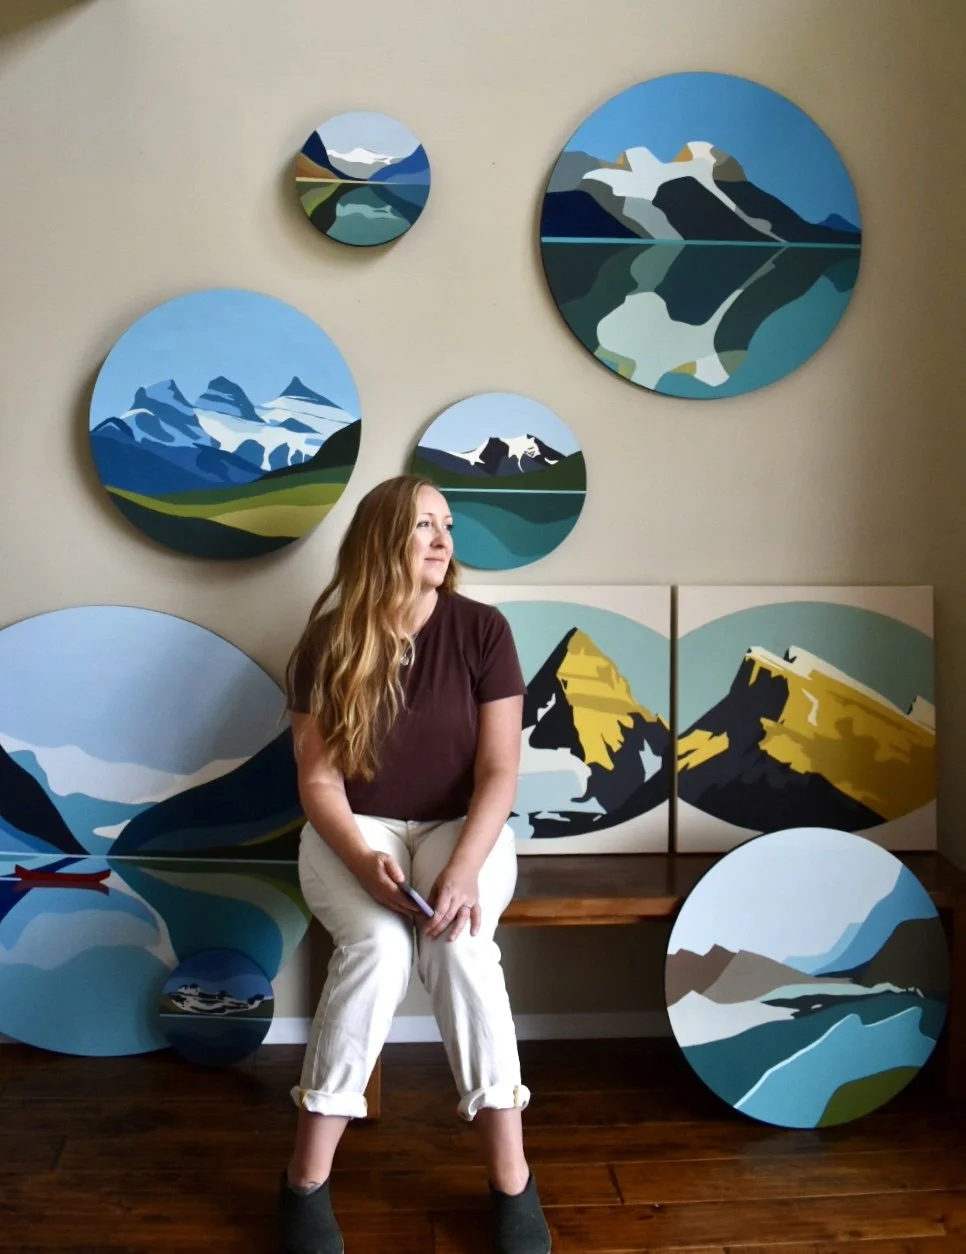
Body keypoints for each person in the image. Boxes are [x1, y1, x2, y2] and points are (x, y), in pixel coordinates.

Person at [277, 475, 551, 1254]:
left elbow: (500, 773)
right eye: (422, 524)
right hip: (352, 829)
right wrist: (364, 863)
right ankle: (305, 1183)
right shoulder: (328, 642)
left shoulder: (482, 632)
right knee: (376, 950)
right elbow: (319, 780)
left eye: (447, 525)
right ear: (380, 539)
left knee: (460, 946)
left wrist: (462, 870)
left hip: (462, 827)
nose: (442, 539)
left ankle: (512, 1183)